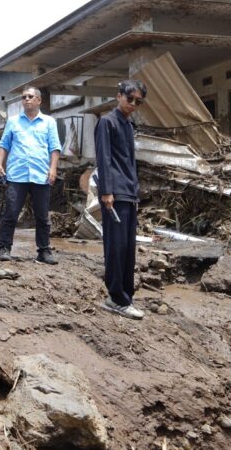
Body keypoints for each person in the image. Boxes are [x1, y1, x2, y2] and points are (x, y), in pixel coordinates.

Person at [95, 79, 147, 320]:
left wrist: (135, 189)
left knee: (127, 249)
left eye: (138, 101)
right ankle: (116, 297)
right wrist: (106, 191)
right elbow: (104, 159)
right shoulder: (107, 122)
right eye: (130, 99)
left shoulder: (128, 125)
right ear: (119, 96)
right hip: (113, 193)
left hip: (128, 193)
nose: (133, 104)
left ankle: (126, 296)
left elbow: (130, 162)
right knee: (115, 247)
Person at [0, 86, 61, 265]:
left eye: (30, 97)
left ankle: (44, 251)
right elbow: (4, 144)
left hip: (41, 175)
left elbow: (54, 148)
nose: (26, 100)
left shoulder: (49, 122)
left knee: (42, 216)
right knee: (10, 213)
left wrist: (53, 169)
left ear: (39, 100)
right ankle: (4, 248)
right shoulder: (13, 122)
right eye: (24, 97)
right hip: (17, 175)